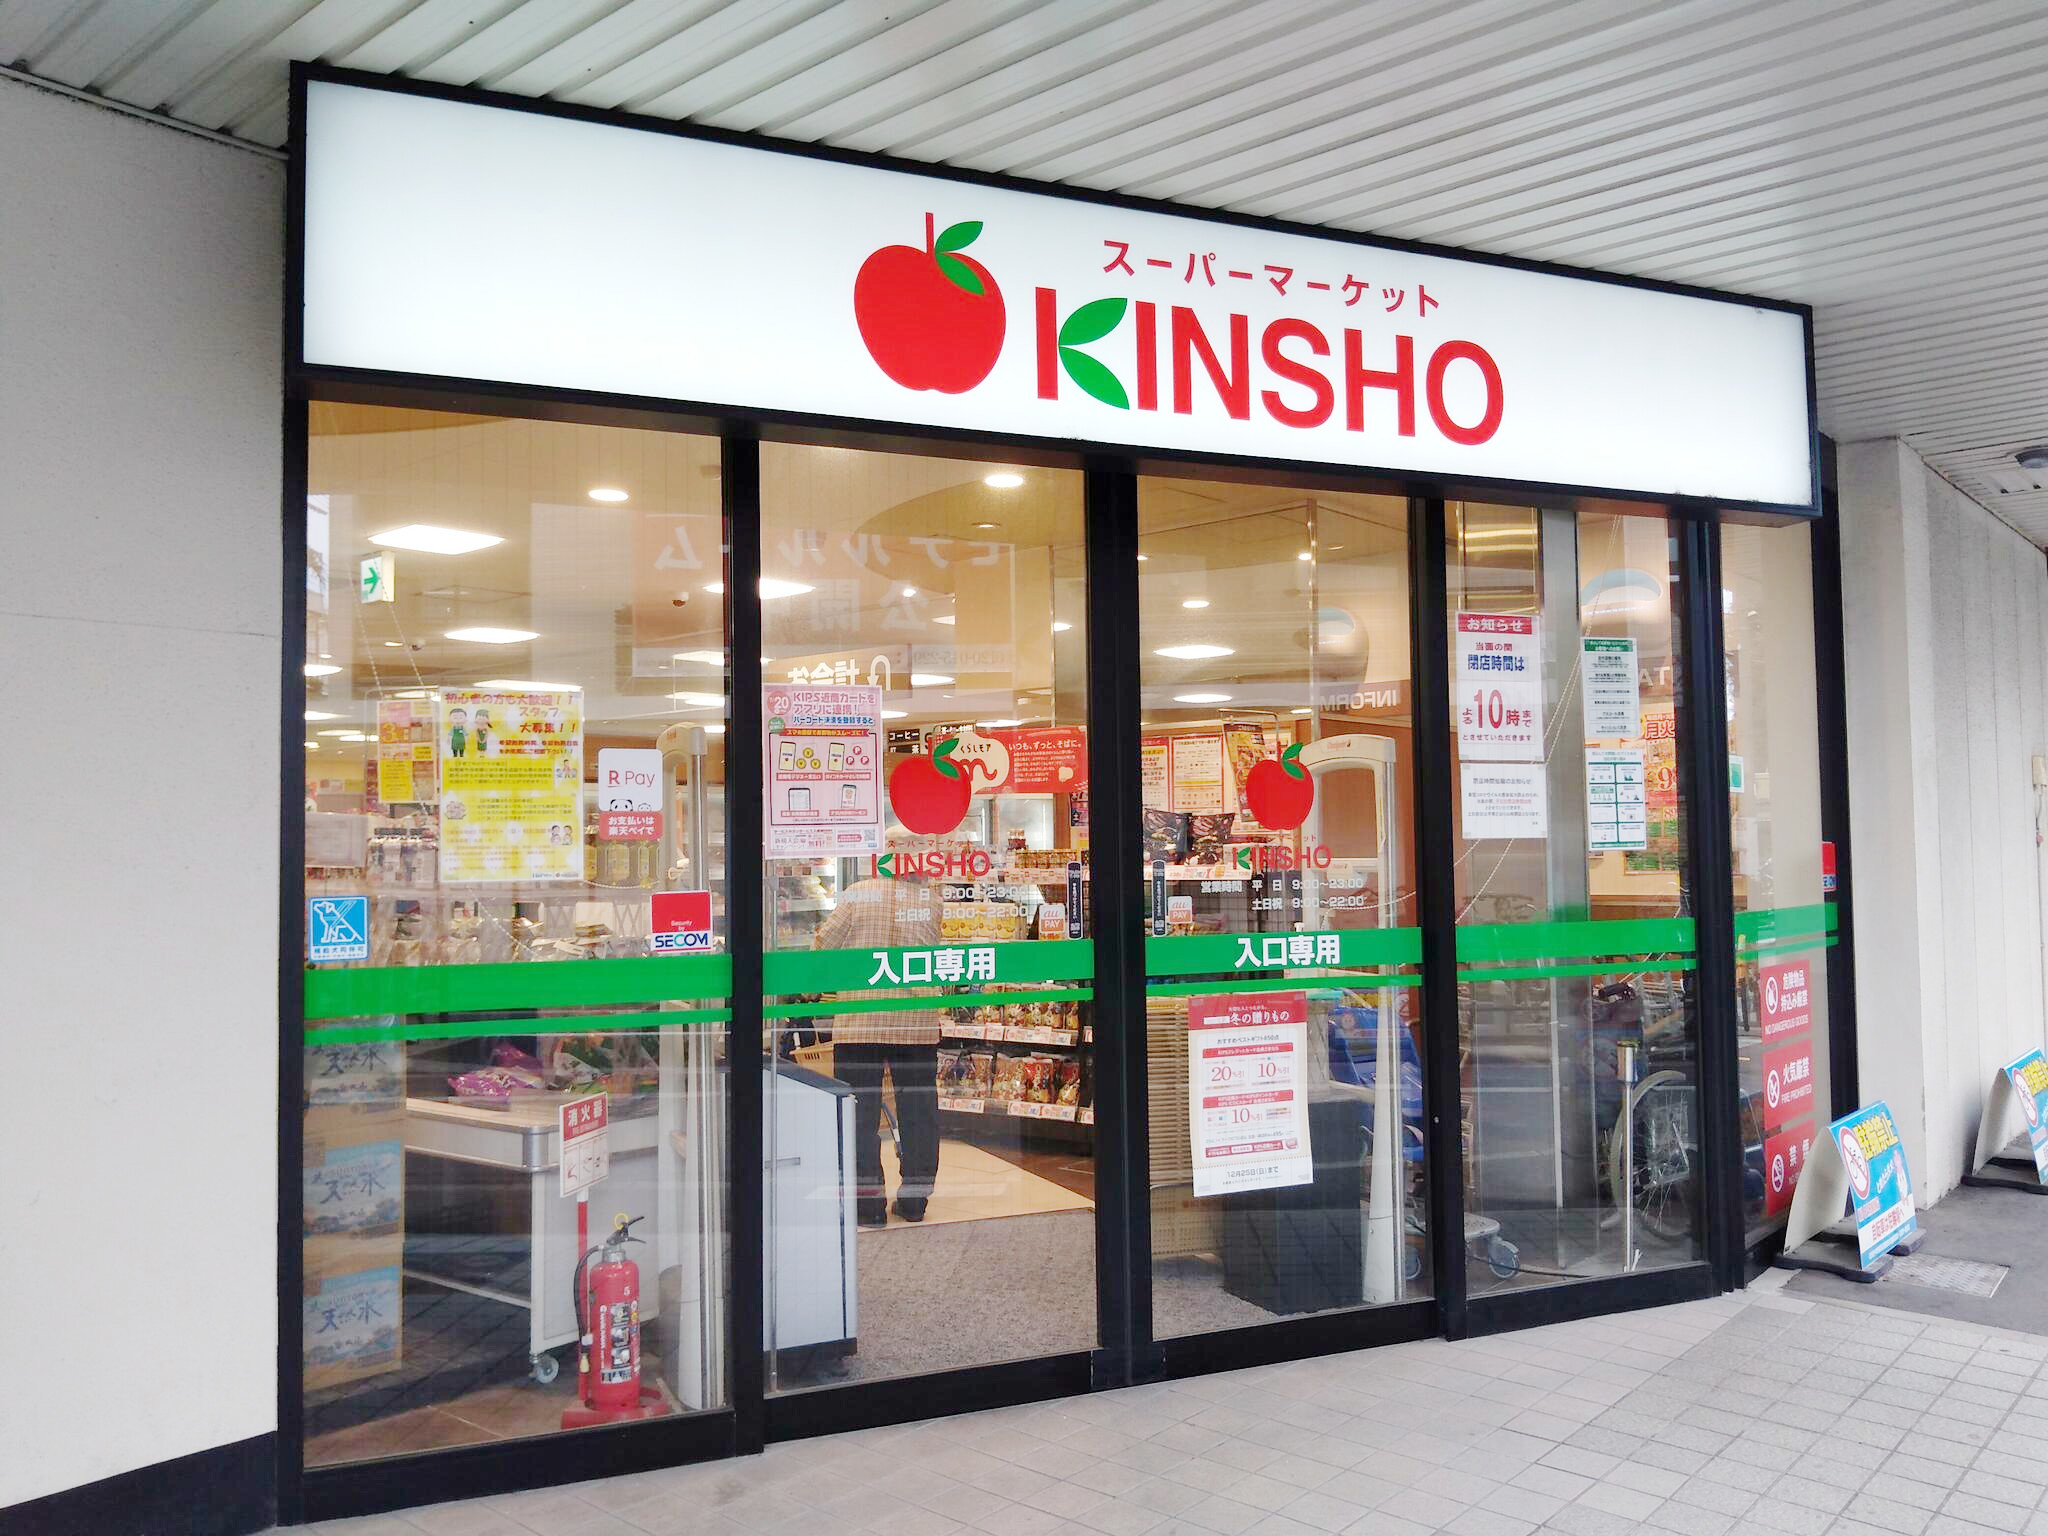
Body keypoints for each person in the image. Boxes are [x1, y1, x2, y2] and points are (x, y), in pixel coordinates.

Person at [810, 832, 941, 1227]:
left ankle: (868, 1206)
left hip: (861, 1020)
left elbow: (822, 948)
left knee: (859, 1114)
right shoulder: (931, 901)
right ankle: (915, 1201)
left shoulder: (857, 895)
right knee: (918, 1111)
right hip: (916, 1021)